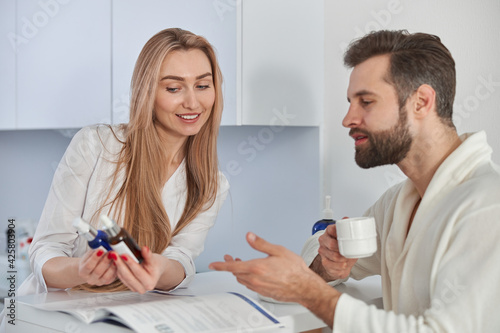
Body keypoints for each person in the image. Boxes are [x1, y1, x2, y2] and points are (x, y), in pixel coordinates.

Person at [209, 30, 500, 332]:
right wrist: (328, 261)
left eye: (366, 102)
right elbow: (327, 255)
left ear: (421, 102)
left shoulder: (487, 206)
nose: (348, 118)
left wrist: (308, 291)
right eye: (350, 102)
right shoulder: (397, 203)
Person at [18, 28, 230, 295]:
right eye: (174, 88)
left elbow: (183, 259)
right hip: (49, 315)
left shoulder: (211, 184)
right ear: (147, 93)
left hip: (125, 315)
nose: (192, 102)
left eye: (202, 86)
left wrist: (160, 268)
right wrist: (80, 270)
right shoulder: (95, 145)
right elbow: (45, 249)